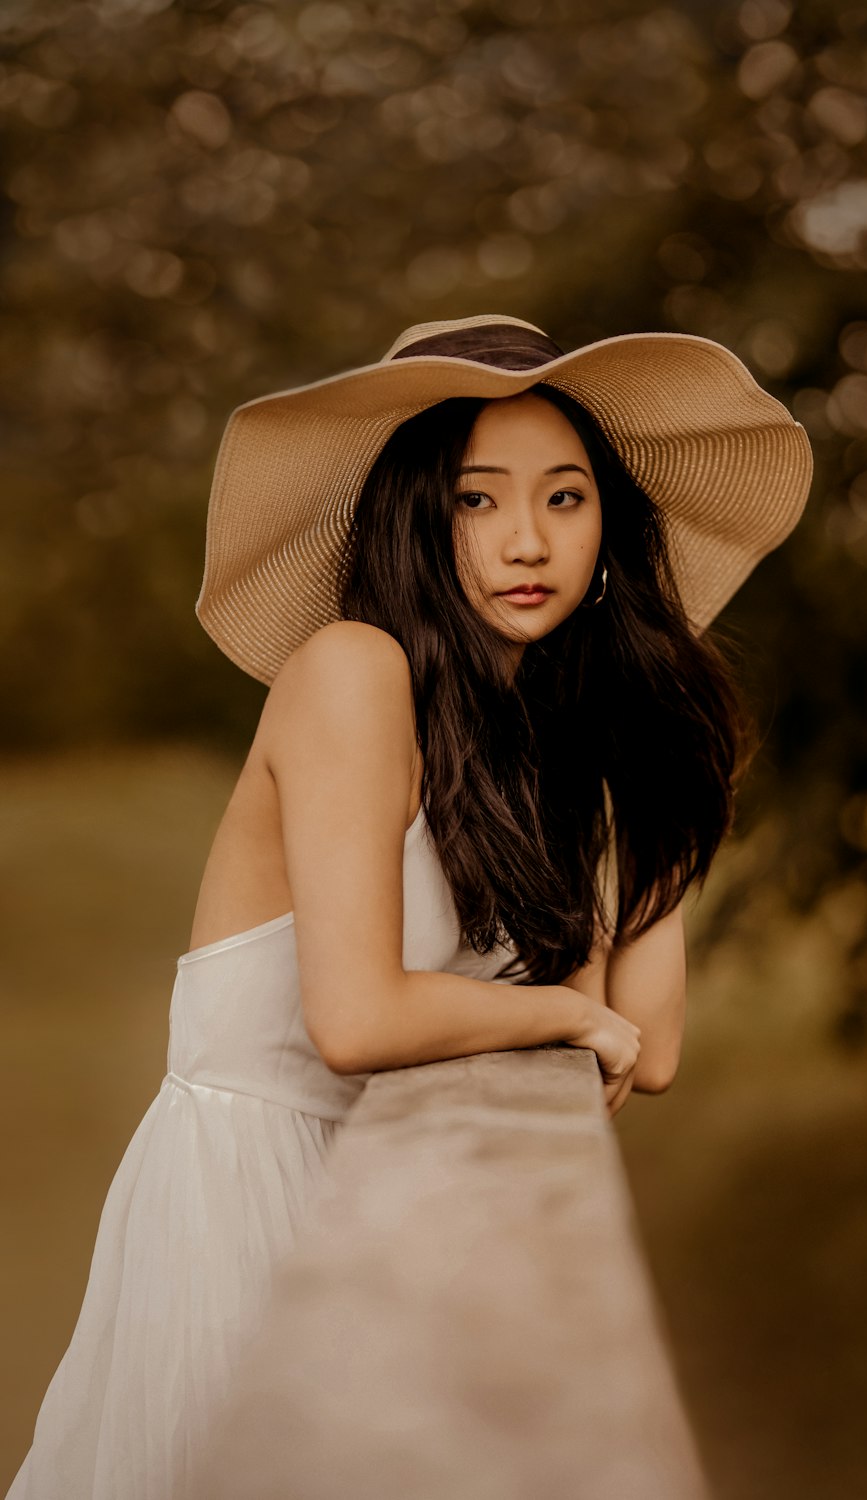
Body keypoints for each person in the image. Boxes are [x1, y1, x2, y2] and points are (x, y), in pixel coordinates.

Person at [7, 313, 812, 1499]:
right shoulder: (349, 670)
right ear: (412, 519)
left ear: (611, 527)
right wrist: (561, 1018)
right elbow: (360, 1020)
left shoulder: (522, 741)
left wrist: (641, 755)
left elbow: (654, 1038)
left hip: (386, 1197)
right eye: (475, 500)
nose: (525, 541)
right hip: (251, 1199)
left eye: (566, 498)